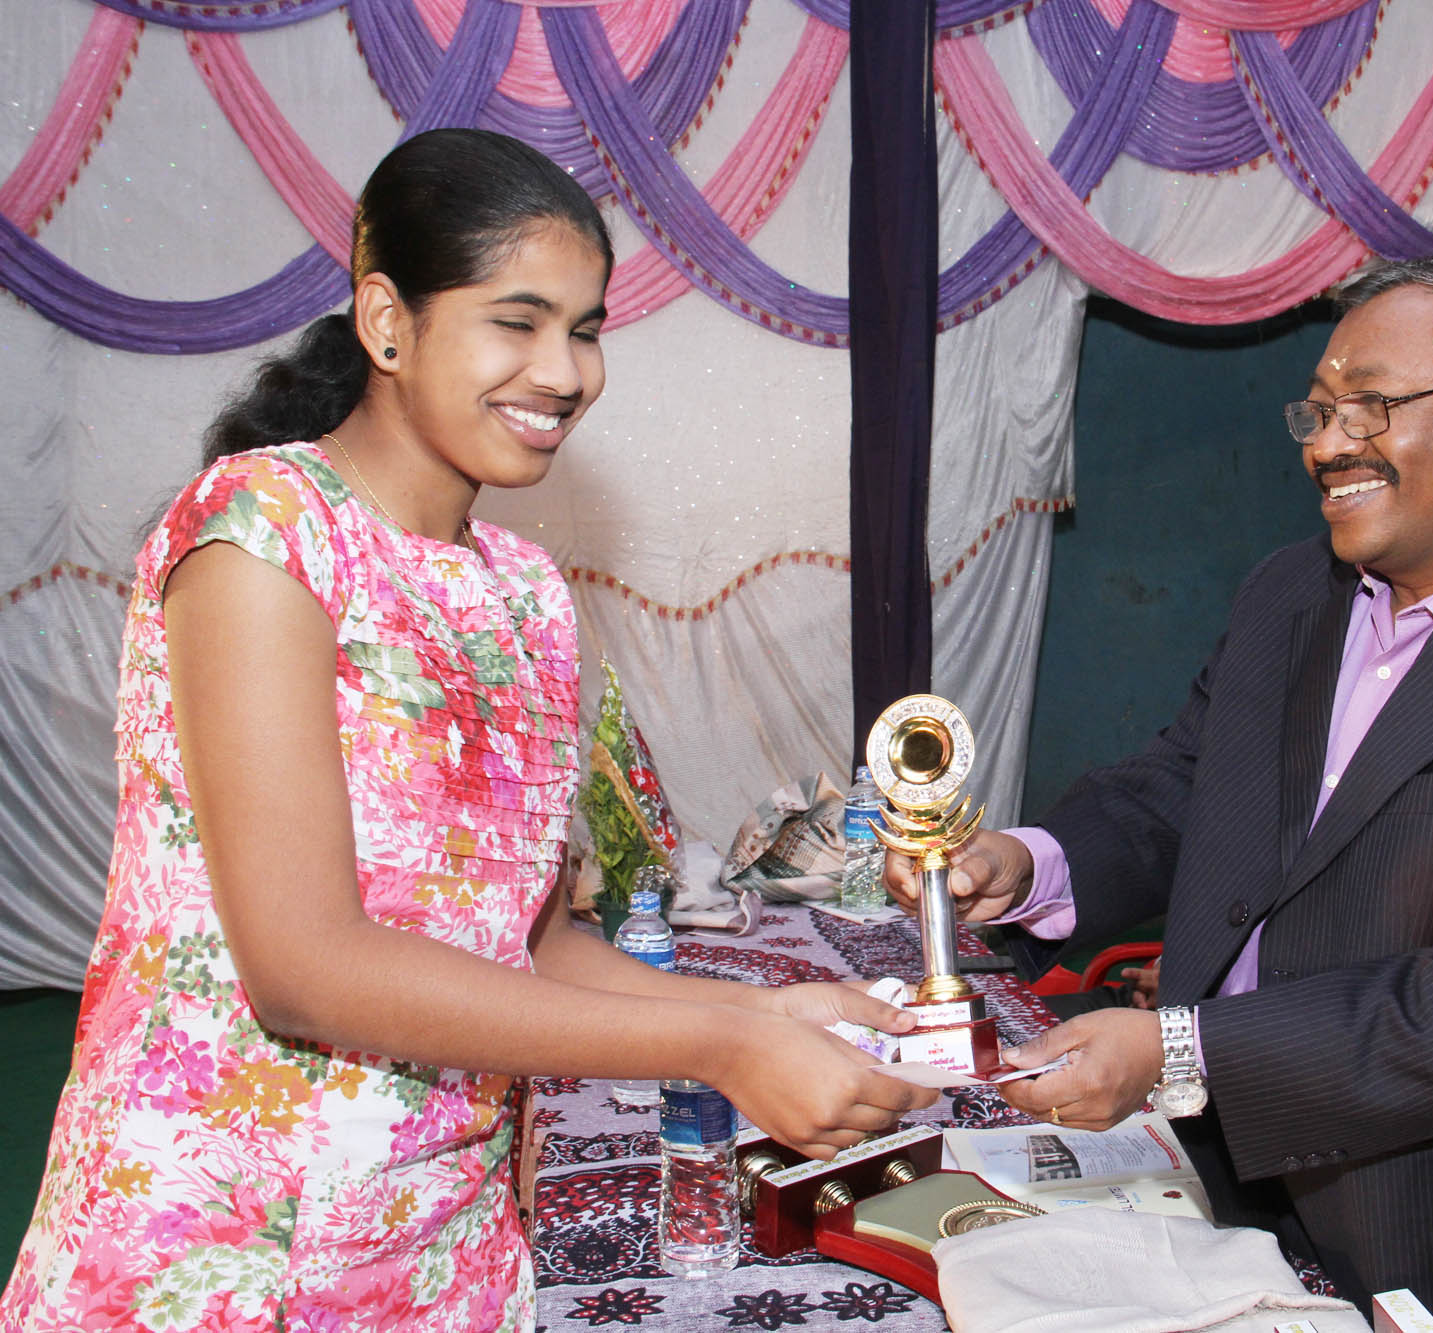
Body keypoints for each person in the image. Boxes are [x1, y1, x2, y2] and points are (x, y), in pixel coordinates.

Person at [3, 128, 934, 1332]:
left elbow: (528, 940)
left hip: (444, 1248)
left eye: (585, 329)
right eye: (517, 321)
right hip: (224, 1243)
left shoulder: (522, 591)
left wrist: (767, 1013)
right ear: (387, 323)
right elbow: (304, 968)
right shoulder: (265, 532)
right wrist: (716, 1045)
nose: (564, 371)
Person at [888, 255, 1433, 1332]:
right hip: (1215, 1182)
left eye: (1371, 406)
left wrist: (1183, 1051)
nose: (1328, 444)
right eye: (1319, 410)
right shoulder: (1294, 593)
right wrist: (1027, 863)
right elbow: (1189, 781)